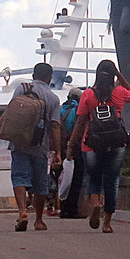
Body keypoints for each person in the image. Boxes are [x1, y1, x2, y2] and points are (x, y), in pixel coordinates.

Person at [0, 62, 62, 232]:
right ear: (49, 78)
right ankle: (39, 220)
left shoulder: (22, 88)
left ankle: (22, 212)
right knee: (40, 183)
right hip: (40, 146)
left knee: (19, 178)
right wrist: (57, 152)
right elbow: (55, 126)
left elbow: (8, 114)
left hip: (18, 143)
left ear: (34, 75)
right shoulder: (53, 98)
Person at [68, 59, 130, 234]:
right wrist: (118, 74)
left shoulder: (88, 94)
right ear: (113, 75)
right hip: (116, 142)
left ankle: (96, 202)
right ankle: (107, 223)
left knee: (93, 177)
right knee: (111, 181)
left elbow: (81, 121)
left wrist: (71, 143)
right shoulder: (119, 92)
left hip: (91, 143)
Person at [58, 87, 85, 218]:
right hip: (75, 147)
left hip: (62, 148)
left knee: (63, 179)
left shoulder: (61, 110)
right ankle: (72, 209)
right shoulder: (78, 110)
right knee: (75, 179)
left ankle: (62, 209)